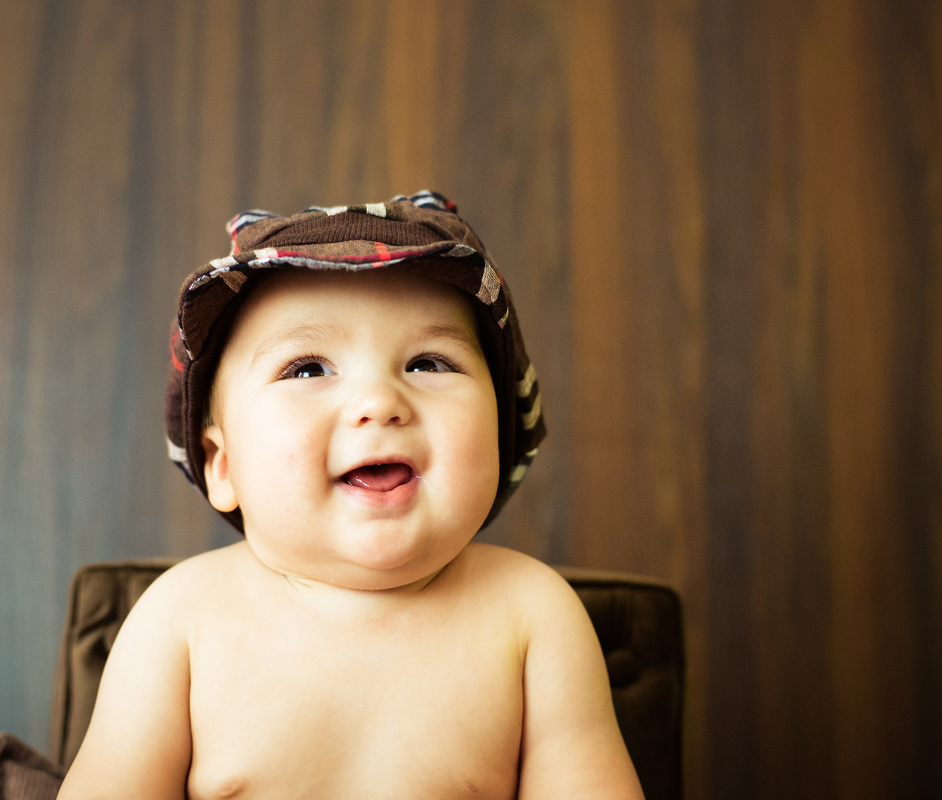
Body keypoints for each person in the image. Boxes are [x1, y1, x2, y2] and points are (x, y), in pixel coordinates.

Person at [56, 192, 643, 799]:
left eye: (429, 363)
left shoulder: (532, 616)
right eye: (308, 369)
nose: (379, 402)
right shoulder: (180, 621)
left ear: (501, 432)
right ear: (220, 464)